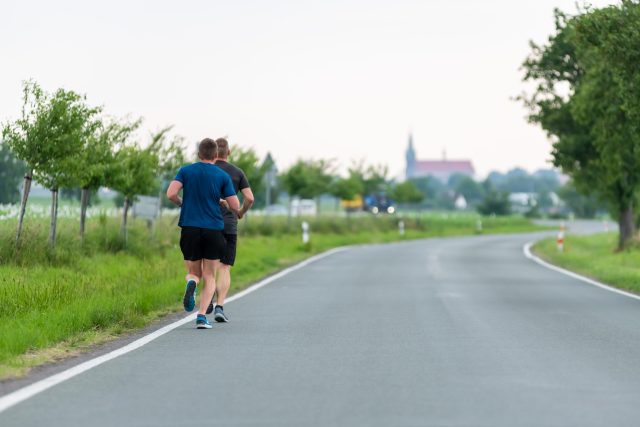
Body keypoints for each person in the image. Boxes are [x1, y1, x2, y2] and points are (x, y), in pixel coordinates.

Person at [166, 138, 240, 329]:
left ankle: (191, 283)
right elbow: (236, 206)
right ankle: (201, 317)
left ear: (199, 154)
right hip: (213, 229)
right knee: (210, 275)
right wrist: (222, 202)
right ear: (216, 155)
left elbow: (171, 194)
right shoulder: (221, 175)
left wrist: (184, 203)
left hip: (189, 227)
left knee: (193, 272)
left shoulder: (186, 171)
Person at [205, 137, 255, 322]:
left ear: (214, 153)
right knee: (225, 267)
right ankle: (220, 307)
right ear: (229, 152)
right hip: (229, 225)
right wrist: (240, 212)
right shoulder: (237, 172)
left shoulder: (206, 170)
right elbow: (249, 198)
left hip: (207, 224)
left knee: (210, 266)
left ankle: (207, 296)